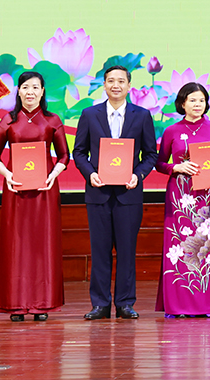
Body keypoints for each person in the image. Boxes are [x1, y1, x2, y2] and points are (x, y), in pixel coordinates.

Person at [73, 65, 159, 320]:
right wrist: (90, 174)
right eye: (111, 81)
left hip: (128, 194)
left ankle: (125, 303)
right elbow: (79, 152)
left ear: (129, 86)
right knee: (100, 251)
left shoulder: (141, 115)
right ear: (104, 85)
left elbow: (150, 154)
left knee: (127, 250)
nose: (116, 85)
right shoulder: (90, 114)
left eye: (121, 81)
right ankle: (100, 304)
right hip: (98, 193)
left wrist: (138, 175)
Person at [0, 70, 69, 321]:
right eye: (25, 87)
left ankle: (42, 303)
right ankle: (16, 304)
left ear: (42, 92)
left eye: (35, 87)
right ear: (18, 91)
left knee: (43, 244)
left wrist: (52, 175)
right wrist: (7, 175)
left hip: (45, 190)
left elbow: (64, 156)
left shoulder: (52, 120)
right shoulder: (8, 121)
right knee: (17, 244)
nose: (30, 92)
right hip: (16, 189)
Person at [153, 81, 210, 317]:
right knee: (180, 247)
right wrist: (176, 167)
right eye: (193, 100)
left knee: (208, 247)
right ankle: (178, 306)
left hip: (208, 196)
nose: (198, 104)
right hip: (180, 196)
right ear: (182, 103)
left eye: (202, 100)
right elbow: (159, 162)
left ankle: (208, 305)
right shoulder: (172, 131)